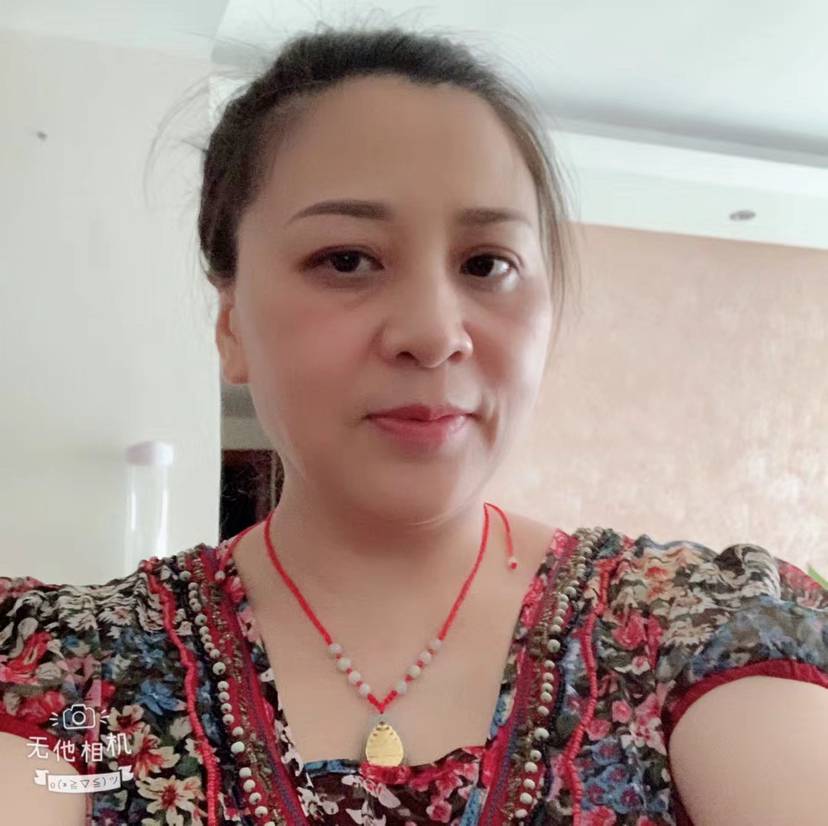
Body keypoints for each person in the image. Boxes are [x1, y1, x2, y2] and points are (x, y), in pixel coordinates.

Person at [1, 23, 827, 826]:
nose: (434, 333)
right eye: (346, 259)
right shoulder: (70, 667)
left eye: (486, 264)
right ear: (231, 326)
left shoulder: (699, 632)